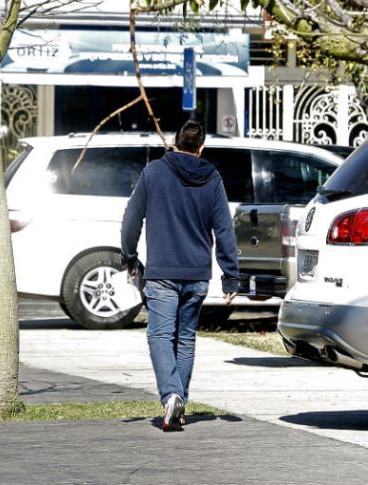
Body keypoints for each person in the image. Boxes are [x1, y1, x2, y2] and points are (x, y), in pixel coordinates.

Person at [120, 120, 239, 431]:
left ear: (174, 142)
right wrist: (231, 275)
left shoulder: (154, 172)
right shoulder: (212, 178)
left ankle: (171, 395)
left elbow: (131, 220)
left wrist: (129, 256)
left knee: (160, 335)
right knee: (185, 338)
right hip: (198, 273)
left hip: (161, 272)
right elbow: (224, 228)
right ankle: (178, 405)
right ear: (201, 147)